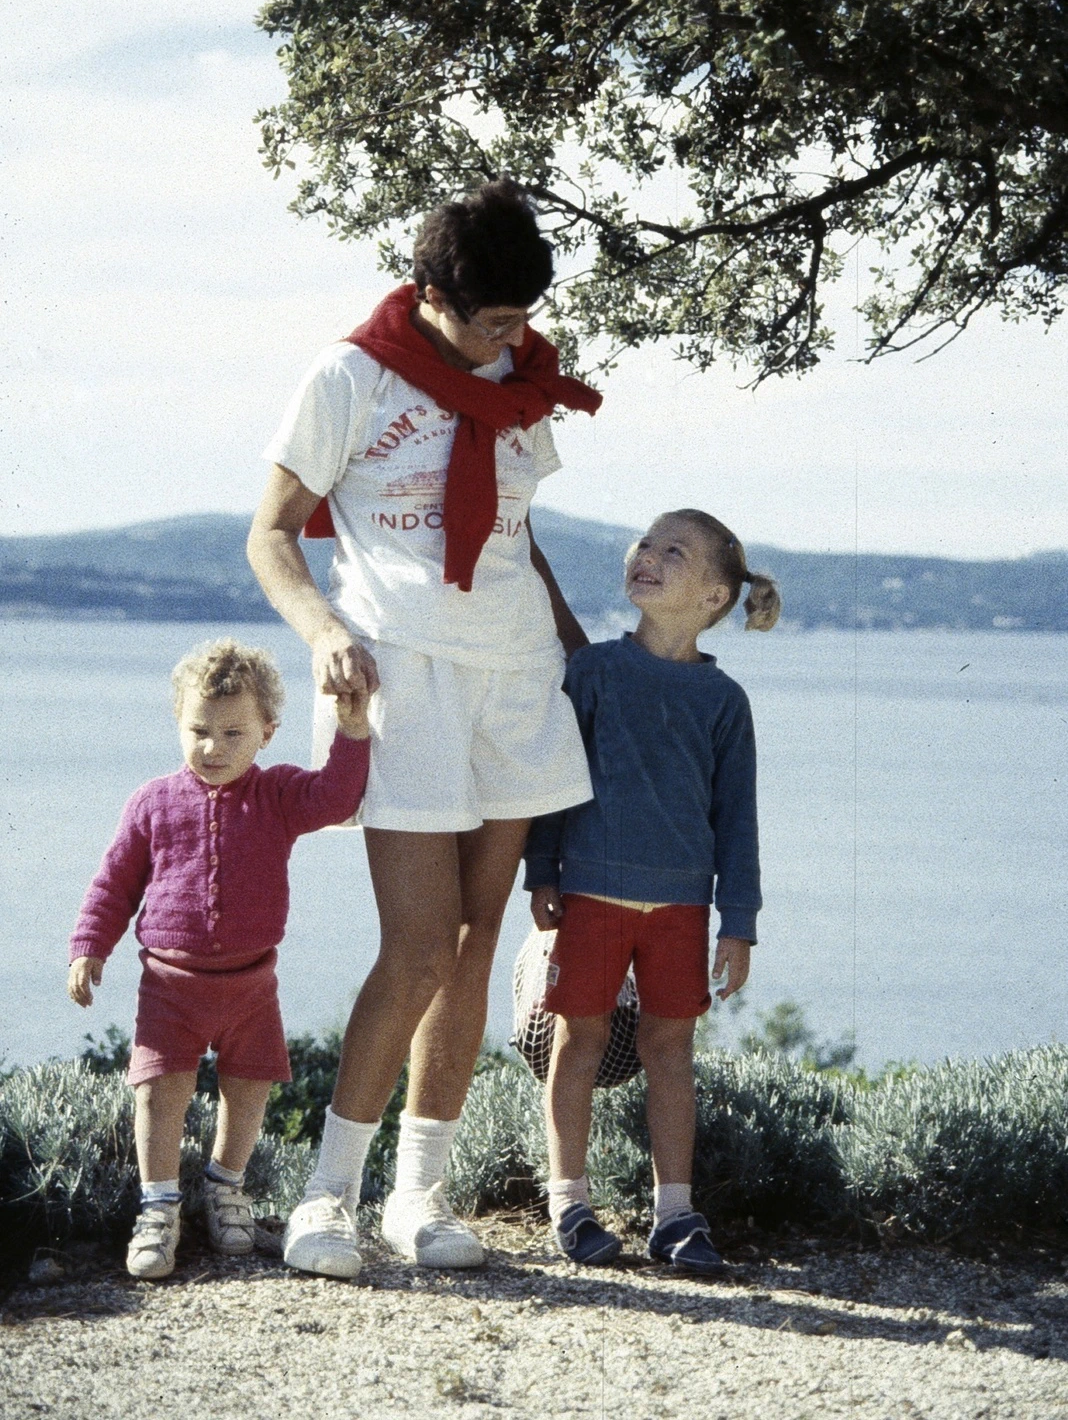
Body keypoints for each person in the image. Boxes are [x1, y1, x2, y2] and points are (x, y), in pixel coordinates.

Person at [247, 178, 601, 1279]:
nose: (511, 338)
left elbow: (514, 536)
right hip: (399, 672)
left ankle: (419, 1197)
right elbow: (270, 535)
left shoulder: (523, 380)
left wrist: (582, 655)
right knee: (417, 946)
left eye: (523, 318)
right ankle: (325, 1198)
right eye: (493, 320)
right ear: (432, 295)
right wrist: (320, 632)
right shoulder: (349, 375)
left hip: (516, 675)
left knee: (477, 940)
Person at [524, 510, 780, 1274]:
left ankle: (675, 1215)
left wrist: (739, 922)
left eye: (675, 551)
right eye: (646, 543)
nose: (648, 556)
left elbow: (737, 820)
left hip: (681, 909)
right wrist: (542, 870)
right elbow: (557, 779)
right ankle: (569, 1203)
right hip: (592, 896)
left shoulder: (725, 701)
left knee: (671, 1052)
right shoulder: (594, 672)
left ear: (713, 597)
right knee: (578, 1041)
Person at [67, 639, 370, 1281]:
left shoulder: (279, 794)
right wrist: (90, 947)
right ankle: (159, 1207)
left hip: (252, 983)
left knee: (250, 1086)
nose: (213, 746)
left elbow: (337, 798)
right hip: (169, 983)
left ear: (267, 733)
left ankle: (225, 1186)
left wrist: (351, 730)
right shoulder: (152, 802)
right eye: (199, 730)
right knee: (160, 1090)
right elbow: (114, 883)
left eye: (233, 733)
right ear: (178, 722)